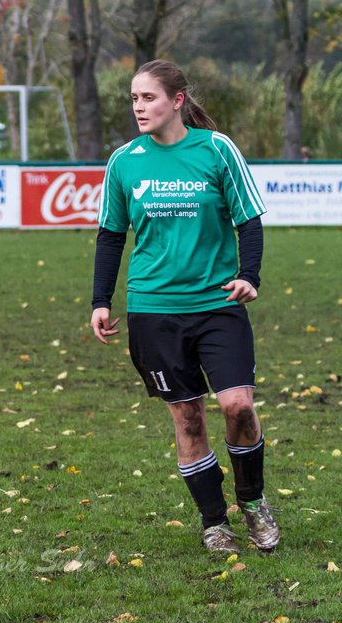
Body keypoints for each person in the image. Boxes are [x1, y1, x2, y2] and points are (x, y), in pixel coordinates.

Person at [91, 59, 278, 555]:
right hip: (153, 309)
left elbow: (249, 220)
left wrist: (249, 276)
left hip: (217, 305)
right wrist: (100, 301)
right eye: (133, 99)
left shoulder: (216, 150)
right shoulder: (124, 161)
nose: (138, 107)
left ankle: (254, 502)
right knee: (189, 418)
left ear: (177, 100)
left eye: (147, 97)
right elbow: (111, 236)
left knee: (237, 406)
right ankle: (214, 521)